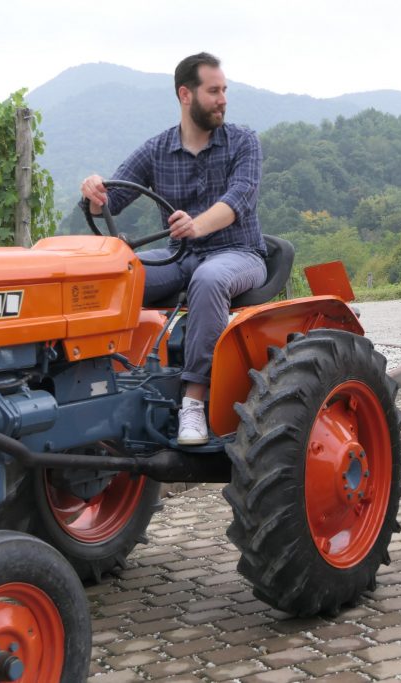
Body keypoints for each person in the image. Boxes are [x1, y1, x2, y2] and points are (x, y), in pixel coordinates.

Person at [80, 52, 267, 447]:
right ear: (186, 94)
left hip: (239, 254)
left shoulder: (244, 142)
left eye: (224, 90)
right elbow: (109, 203)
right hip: (179, 256)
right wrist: (94, 191)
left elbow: (240, 199)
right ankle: (96, 381)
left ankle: (194, 403)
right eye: (213, 91)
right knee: (113, 276)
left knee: (209, 278)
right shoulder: (156, 150)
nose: (223, 99)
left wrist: (197, 225)